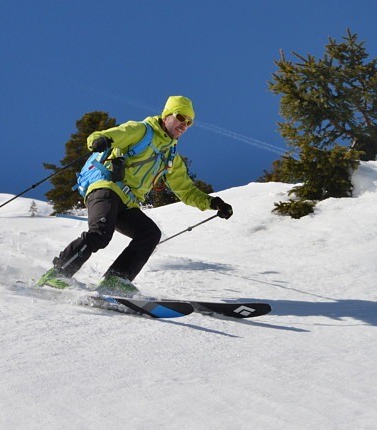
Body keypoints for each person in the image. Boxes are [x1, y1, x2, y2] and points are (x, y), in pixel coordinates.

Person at [36, 95, 233, 294]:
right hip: (105, 187)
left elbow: (186, 190)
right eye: (180, 117)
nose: (184, 125)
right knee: (101, 233)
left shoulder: (170, 156)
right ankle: (57, 274)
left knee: (149, 233)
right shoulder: (141, 131)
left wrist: (213, 203)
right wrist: (99, 141)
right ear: (166, 116)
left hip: (126, 202)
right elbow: (105, 135)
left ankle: (115, 281)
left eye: (189, 122)